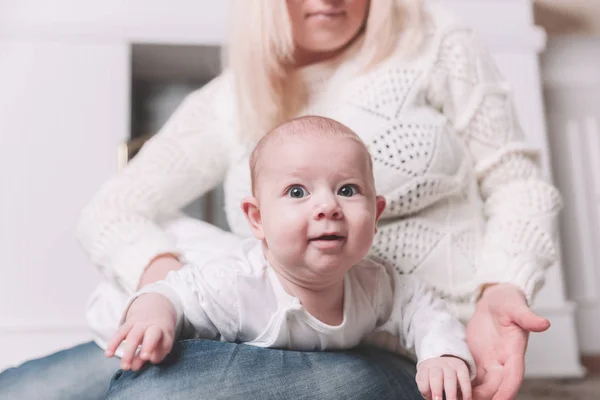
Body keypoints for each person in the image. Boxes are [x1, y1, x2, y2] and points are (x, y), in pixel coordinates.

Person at [0, 0, 560, 399]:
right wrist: (169, 294)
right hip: (266, 327)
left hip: (413, 354)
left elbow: (517, 179)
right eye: (296, 191)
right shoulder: (230, 100)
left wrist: (501, 286)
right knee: (27, 389)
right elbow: (111, 208)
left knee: (164, 392)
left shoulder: (432, 42)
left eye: (348, 190)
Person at [106, 116, 476, 400]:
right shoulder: (234, 283)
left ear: (375, 215)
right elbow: (174, 292)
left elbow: (425, 313)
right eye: (297, 191)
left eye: (347, 189)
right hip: (121, 312)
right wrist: (153, 312)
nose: (327, 206)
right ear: (257, 219)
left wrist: (443, 355)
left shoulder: (379, 284)